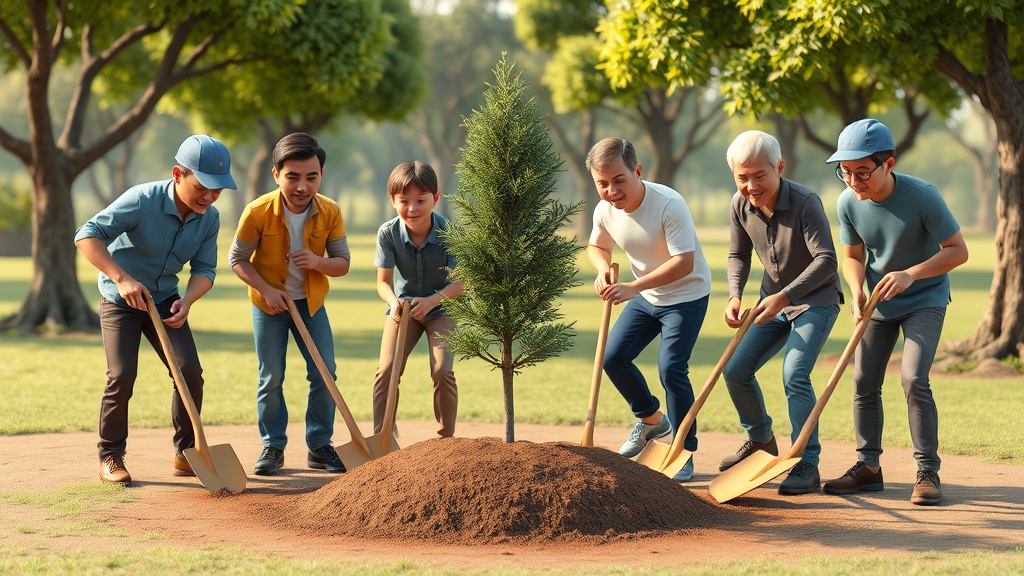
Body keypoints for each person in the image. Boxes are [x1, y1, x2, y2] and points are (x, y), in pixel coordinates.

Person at [75, 134, 237, 485]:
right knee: (122, 375)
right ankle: (110, 455)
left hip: (165, 300)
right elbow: (87, 235)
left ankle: (186, 452)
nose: (209, 197)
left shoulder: (209, 218)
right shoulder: (141, 200)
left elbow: (205, 270)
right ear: (178, 175)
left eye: (217, 190)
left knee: (189, 372)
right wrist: (121, 278)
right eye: (202, 187)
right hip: (121, 300)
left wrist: (187, 301)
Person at [822, 119, 968, 505]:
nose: (853, 181)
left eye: (862, 172)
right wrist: (856, 289)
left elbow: (958, 251)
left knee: (913, 378)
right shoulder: (848, 202)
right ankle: (868, 467)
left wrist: (910, 274)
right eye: (845, 172)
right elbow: (852, 256)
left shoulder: (923, 197)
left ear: (888, 164)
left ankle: (927, 472)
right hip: (878, 301)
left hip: (925, 299)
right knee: (863, 382)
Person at [717, 130, 844, 495]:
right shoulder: (739, 205)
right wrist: (735, 296)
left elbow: (827, 261)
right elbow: (738, 255)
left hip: (815, 301)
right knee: (735, 370)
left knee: (794, 374)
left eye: (760, 175)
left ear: (780, 167)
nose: (751, 186)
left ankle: (806, 463)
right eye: (742, 178)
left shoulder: (806, 201)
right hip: (771, 302)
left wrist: (784, 298)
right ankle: (761, 440)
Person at [586, 137, 712, 482]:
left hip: (686, 295)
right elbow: (597, 246)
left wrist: (633, 287)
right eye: (602, 183)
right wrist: (602, 268)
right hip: (648, 296)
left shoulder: (669, 204)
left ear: (637, 171)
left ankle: (682, 451)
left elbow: (684, 263)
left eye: (619, 180)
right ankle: (652, 421)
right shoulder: (605, 210)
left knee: (671, 368)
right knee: (613, 358)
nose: (611, 191)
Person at [229, 133, 351, 476]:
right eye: (292, 176)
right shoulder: (257, 212)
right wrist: (266, 290)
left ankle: (320, 445)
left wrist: (317, 262)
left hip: (310, 304)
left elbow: (342, 263)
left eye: (311, 177)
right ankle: (273, 446)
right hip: (268, 306)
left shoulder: (331, 211)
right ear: (276, 174)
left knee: (325, 372)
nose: (302, 186)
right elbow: (237, 259)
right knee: (271, 376)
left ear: (321, 175)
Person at [372, 161, 463, 438]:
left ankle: (446, 438)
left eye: (421, 200)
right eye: (404, 201)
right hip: (404, 309)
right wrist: (393, 303)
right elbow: (383, 283)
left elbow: (462, 282)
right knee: (387, 370)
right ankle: (383, 436)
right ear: (392, 200)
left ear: (435, 198)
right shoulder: (388, 233)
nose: (412, 208)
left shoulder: (451, 231)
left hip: (442, 308)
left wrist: (433, 300)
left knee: (442, 370)